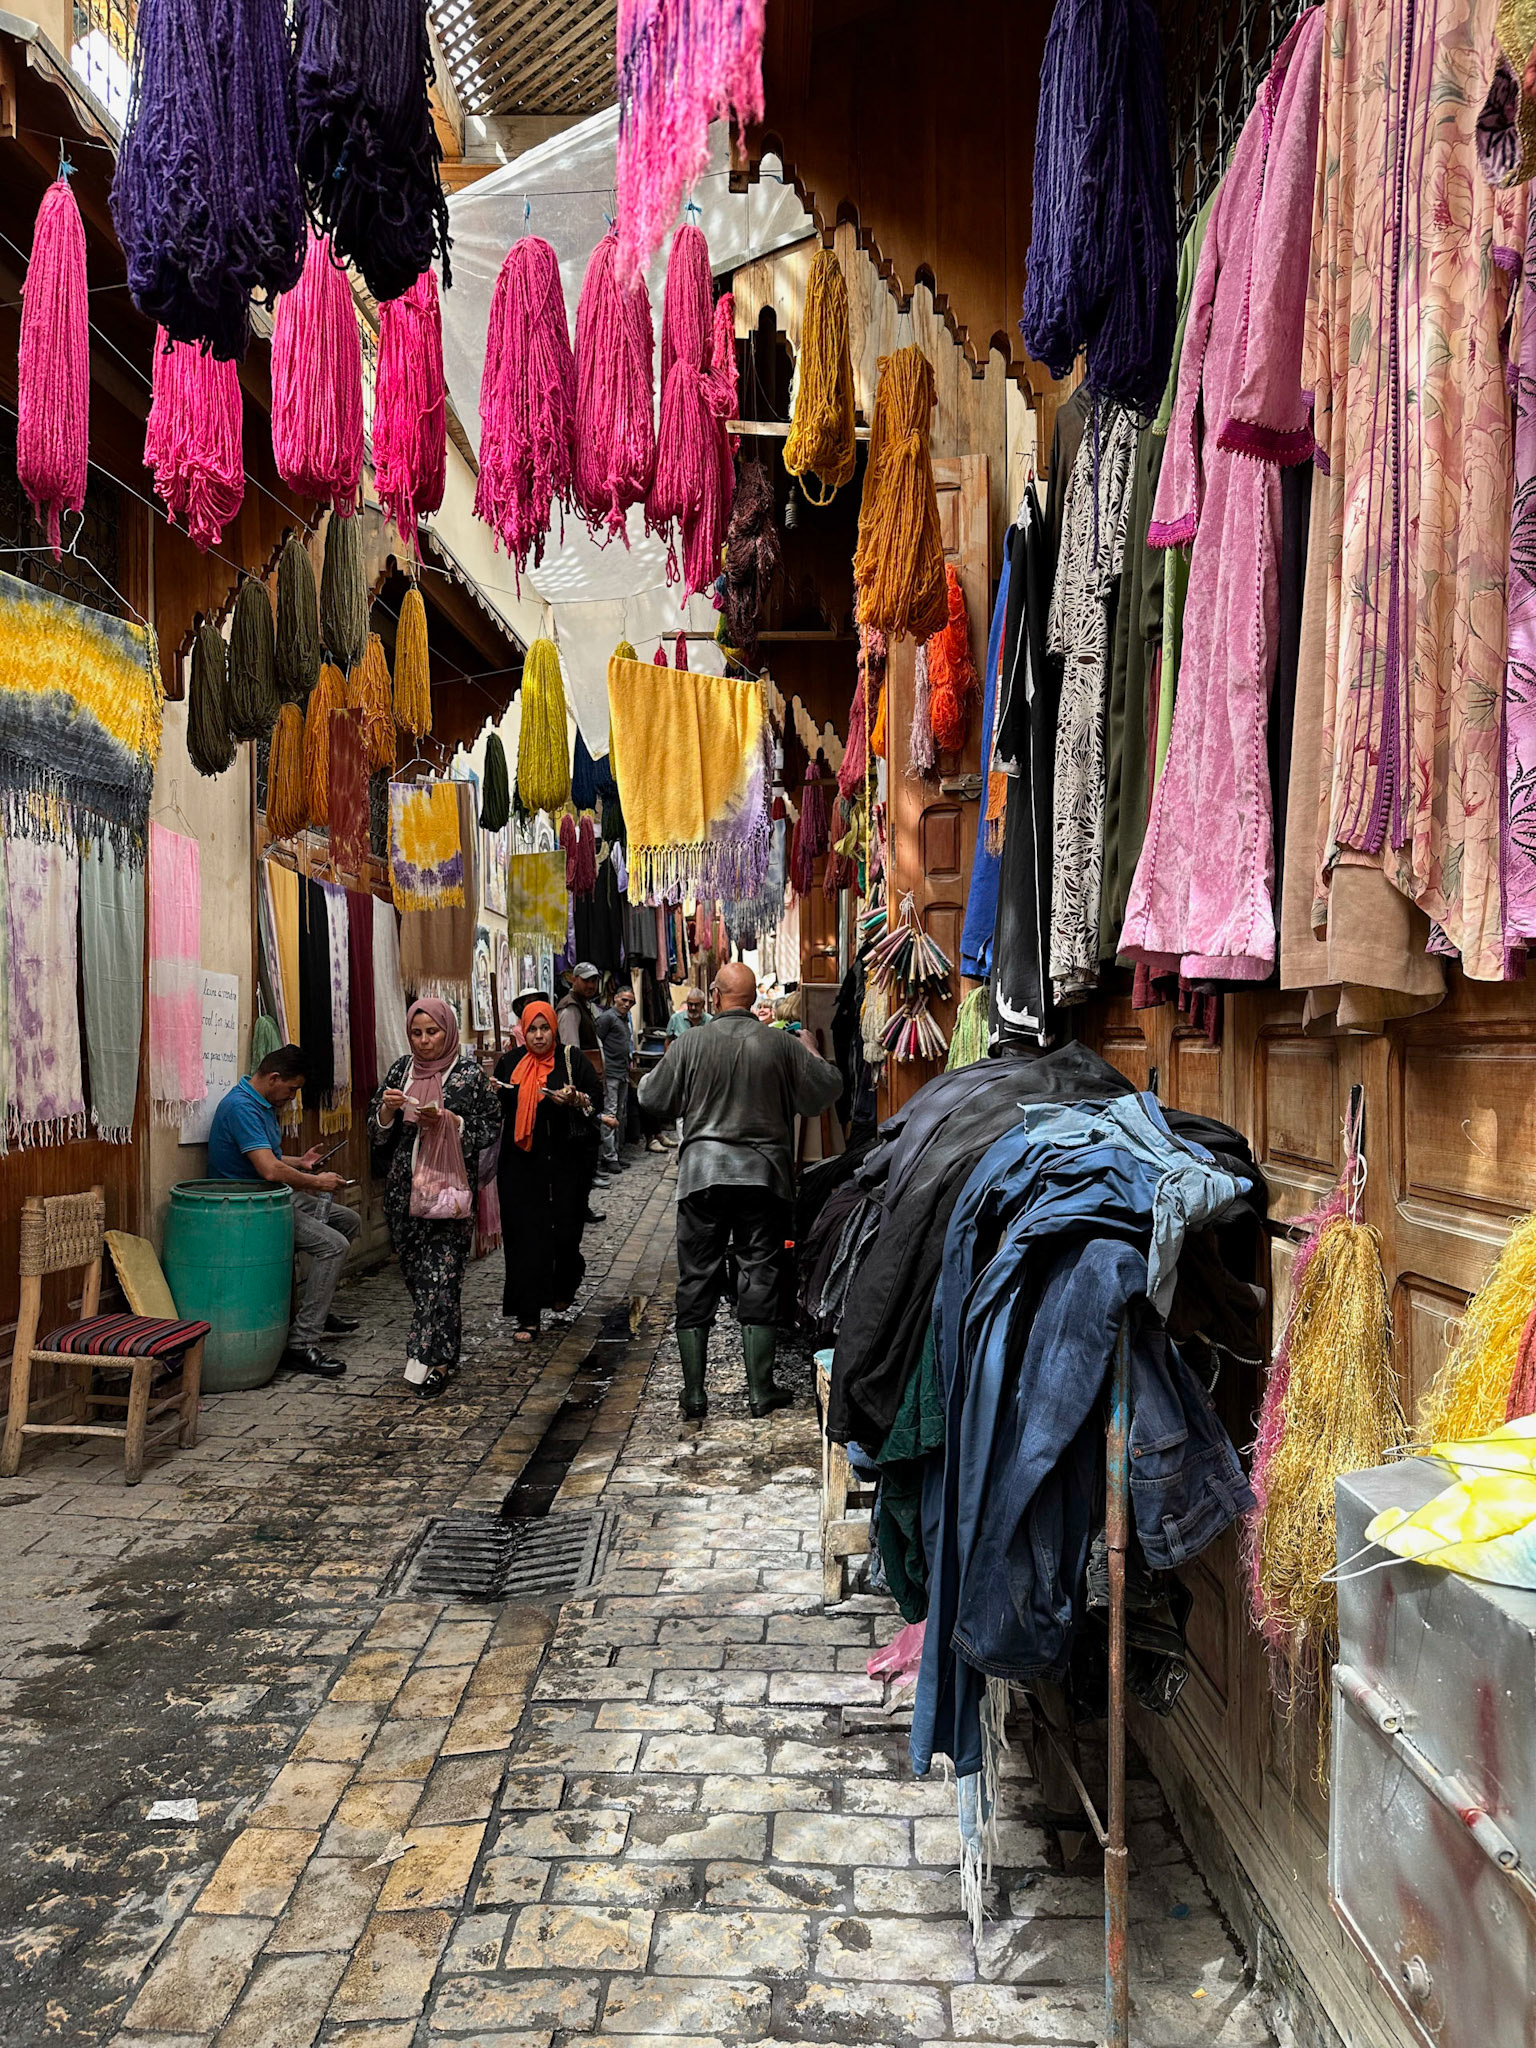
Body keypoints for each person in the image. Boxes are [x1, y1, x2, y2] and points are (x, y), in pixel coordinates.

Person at [638, 961, 842, 1420]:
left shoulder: (690, 1043)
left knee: (696, 1276)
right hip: (763, 1179)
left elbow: (652, 1097)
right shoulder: (780, 1045)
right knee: (760, 1272)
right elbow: (825, 1092)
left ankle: (693, 1394)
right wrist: (810, 1051)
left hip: (701, 1178)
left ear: (715, 996)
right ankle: (759, 1390)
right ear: (753, 1000)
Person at [368, 998, 500, 1398]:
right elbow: (378, 1133)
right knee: (418, 1279)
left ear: (448, 1031)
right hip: (403, 1193)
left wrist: (449, 1122)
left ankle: (430, 1362)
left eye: (432, 1032)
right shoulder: (400, 1070)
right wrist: (388, 1112)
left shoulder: (468, 1076)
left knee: (441, 1280)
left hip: (448, 1191)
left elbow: (491, 1126)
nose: (424, 1041)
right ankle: (445, 1350)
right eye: (416, 1033)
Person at [207, 1044, 358, 1379]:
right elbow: (269, 1171)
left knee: (348, 1220)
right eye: (292, 1089)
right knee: (334, 1245)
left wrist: (300, 1163)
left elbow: (269, 1158)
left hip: (273, 1196)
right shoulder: (241, 1107)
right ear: (274, 1078)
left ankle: (314, 1309)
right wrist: (315, 1181)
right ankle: (301, 1343)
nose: (292, 1097)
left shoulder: (259, 1102)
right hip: (252, 1206)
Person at [494, 1000, 604, 1342]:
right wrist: (495, 1093)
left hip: (567, 1161)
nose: (539, 1036)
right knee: (524, 1236)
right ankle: (527, 1315)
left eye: (544, 1028)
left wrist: (574, 1099)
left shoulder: (571, 1059)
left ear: (553, 1029)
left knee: (566, 1231)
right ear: (523, 1031)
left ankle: (566, 1278)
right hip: (521, 1163)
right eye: (532, 1029)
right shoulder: (510, 1064)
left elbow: (595, 1104)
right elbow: (495, 1108)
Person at [557, 962, 607, 1217]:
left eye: (594, 981)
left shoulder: (583, 1006)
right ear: (573, 980)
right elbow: (570, 1050)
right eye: (586, 980)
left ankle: (579, 1204)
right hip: (579, 1090)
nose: (590, 985)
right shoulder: (570, 1008)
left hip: (589, 1085)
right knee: (581, 1150)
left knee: (588, 1147)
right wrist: (578, 1088)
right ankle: (577, 1207)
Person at [594, 986, 637, 1175]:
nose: (627, 1005)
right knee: (610, 1114)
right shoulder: (608, 1017)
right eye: (624, 1000)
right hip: (610, 1073)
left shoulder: (623, 1019)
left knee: (619, 1114)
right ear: (615, 998)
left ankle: (614, 1154)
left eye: (630, 1002)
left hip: (621, 1072)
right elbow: (598, 1041)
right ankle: (608, 1157)